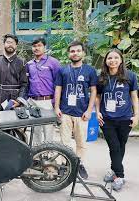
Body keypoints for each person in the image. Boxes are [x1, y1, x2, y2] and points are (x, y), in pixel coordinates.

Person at [96, 48, 138, 191]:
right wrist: (97, 112)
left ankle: (114, 170)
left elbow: (134, 96)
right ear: (106, 61)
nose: (112, 60)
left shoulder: (130, 76)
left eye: (115, 58)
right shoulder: (102, 77)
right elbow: (97, 96)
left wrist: (137, 115)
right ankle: (120, 176)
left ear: (121, 60)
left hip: (125, 118)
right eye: (109, 58)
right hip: (106, 119)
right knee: (114, 146)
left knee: (120, 146)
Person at [55, 41, 98, 179]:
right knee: (64, 142)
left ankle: (79, 164)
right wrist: (56, 107)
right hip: (65, 111)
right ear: (69, 53)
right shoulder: (63, 70)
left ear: (83, 53)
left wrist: (89, 110)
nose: (75, 53)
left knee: (81, 142)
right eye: (72, 51)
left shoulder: (90, 70)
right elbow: (58, 89)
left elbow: (93, 91)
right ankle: (63, 164)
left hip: (82, 113)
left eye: (78, 51)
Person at [26, 37, 61, 144]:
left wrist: (56, 104)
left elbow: (59, 84)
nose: (36, 48)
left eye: (39, 45)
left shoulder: (53, 62)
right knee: (35, 130)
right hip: (33, 101)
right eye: (34, 46)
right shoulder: (29, 64)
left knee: (48, 130)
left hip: (47, 101)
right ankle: (36, 155)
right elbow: (27, 82)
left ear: (44, 47)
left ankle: (47, 155)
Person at [0, 34, 28, 116]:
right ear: (4, 44)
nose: (10, 44)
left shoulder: (22, 62)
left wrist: (19, 100)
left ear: (16, 45)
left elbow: (24, 84)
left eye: (13, 43)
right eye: (8, 42)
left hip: (15, 101)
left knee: (15, 127)